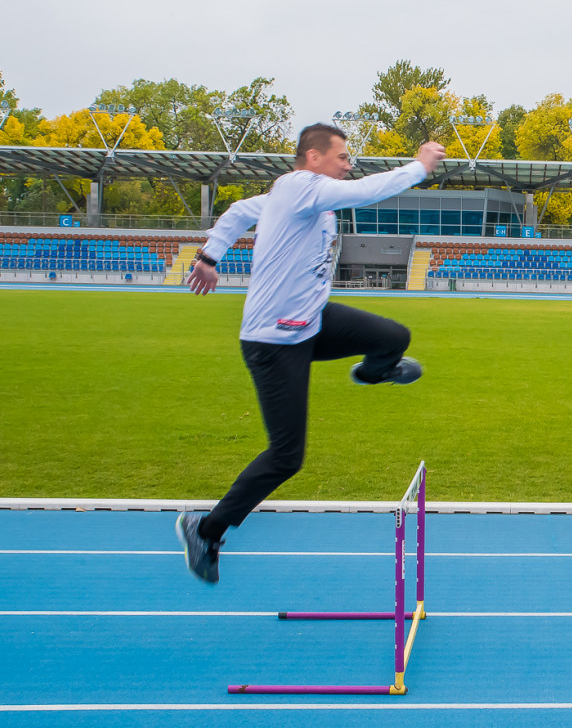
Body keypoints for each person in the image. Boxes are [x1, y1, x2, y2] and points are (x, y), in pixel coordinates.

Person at [175, 123, 446, 583]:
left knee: (393, 336)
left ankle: (374, 373)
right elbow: (366, 190)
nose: (348, 164)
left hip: (311, 322)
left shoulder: (304, 200)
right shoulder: (301, 186)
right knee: (286, 457)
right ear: (314, 158)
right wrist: (418, 167)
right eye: (342, 157)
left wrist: (208, 256)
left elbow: (241, 210)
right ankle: (206, 529)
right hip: (273, 342)